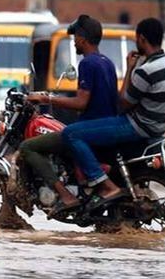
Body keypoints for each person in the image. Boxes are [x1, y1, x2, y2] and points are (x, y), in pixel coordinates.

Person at [61, 17, 165, 211]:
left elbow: (122, 104)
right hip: (158, 127)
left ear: (141, 39)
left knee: (70, 133)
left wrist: (131, 68)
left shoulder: (146, 71)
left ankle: (104, 185)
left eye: (136, 39)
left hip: (137, 126)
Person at [20, 15, 118, 214]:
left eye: (75, 38)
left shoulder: (87, 63)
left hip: (90, 130)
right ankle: (78, 179)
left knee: (28, 147)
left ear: (82, 38)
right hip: (104, 127)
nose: (74, 41)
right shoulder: (107, 62)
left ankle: (65, 195)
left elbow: (81, 102)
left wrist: (46, 98)